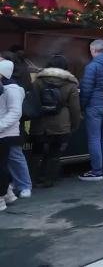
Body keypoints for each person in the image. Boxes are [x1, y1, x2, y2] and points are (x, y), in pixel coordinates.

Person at [29, 55, 81, 188]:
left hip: (39, 122)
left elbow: (33, 102)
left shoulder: (38, 81)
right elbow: (75, 108)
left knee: (36, 152)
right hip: (61, 123)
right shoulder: (70, 83)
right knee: (55, 153)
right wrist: (74, 125)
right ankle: (49, 180)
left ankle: (33, 179)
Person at [79, 39, 103, 181]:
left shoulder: (92, 66)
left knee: (94, 138)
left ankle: (96, 171)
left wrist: (82, 106)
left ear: (93, 50)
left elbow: (86, 89)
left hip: (94, 105)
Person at [0, 51, 32, 198]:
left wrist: (1, 125)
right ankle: (10, 190)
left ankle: (24, 185)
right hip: (7, 129)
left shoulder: (12, 88)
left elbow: (15, 112)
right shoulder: (10, 86)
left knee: (15, 157)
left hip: (10, 130)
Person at [0, 59, 25, 211]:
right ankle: (8, 193)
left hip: (5, 133)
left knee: (1, 165)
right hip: (4, 131)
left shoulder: (12, 89)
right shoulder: (5, 87)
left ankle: (1, 197)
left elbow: (15, 112)